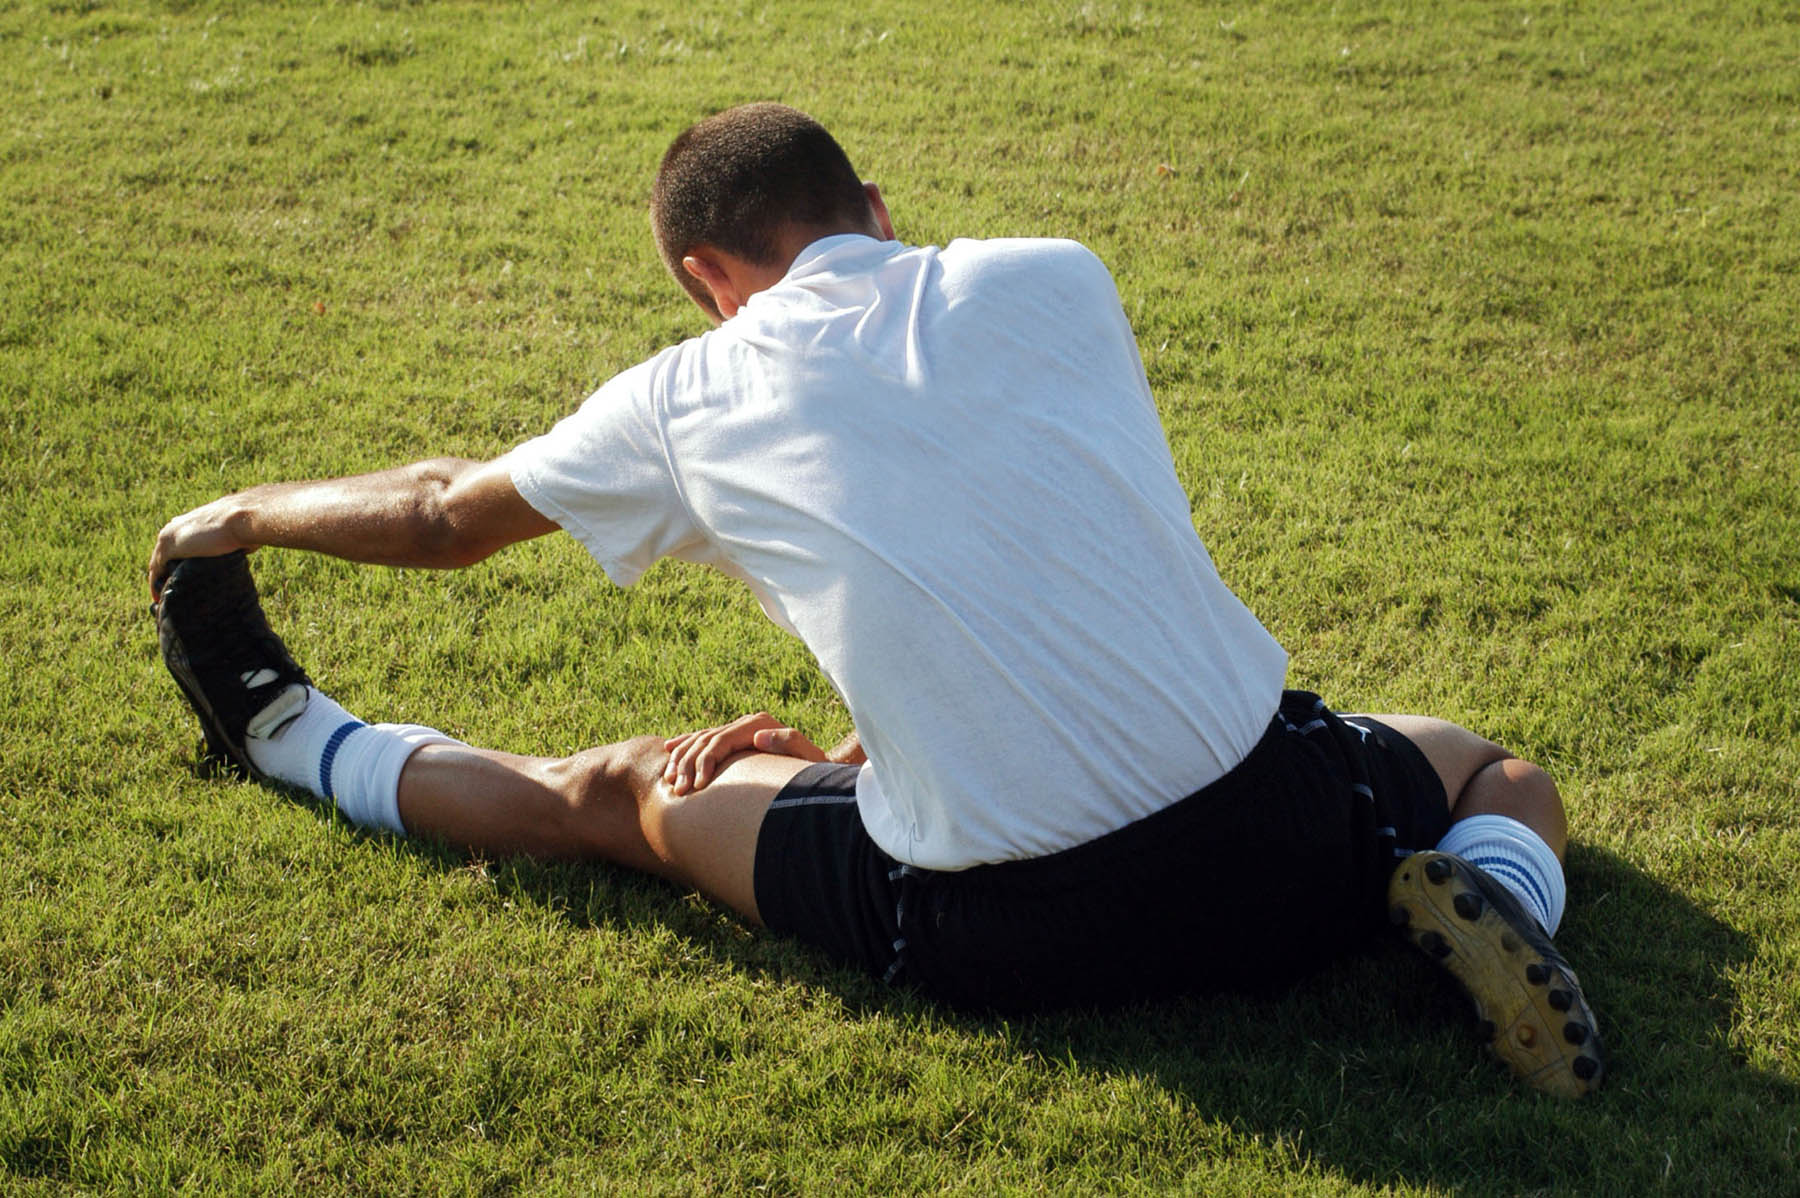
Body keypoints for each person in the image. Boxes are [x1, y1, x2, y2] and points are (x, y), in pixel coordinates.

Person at [149, 103, 1603, 1097]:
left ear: (708, 278)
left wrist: (237, 514)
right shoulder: (1057, 276)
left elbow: (442, 513)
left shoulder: (689, 394)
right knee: (1488, 764)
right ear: (877, 212)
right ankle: (1498, 901)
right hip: (1287, 838)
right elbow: (995, 531)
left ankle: (282, 729)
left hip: (1010, 929)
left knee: (611, 792)